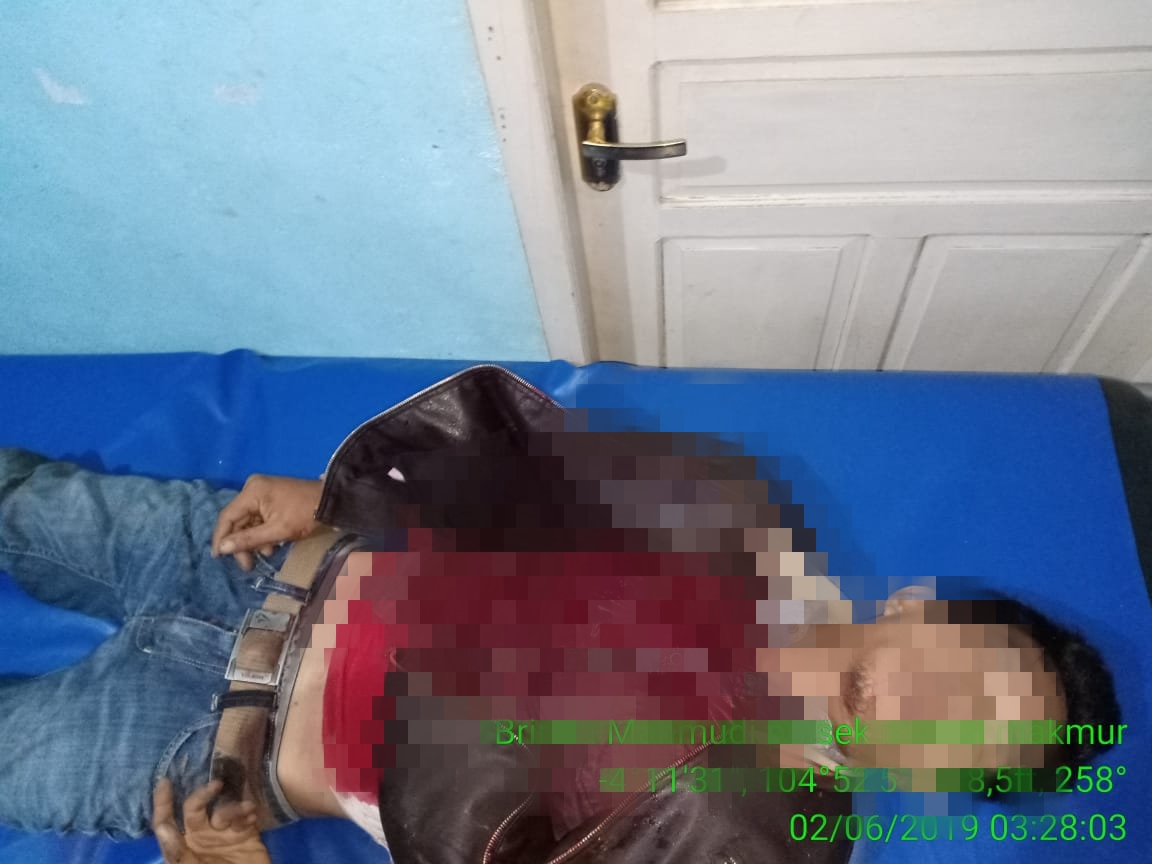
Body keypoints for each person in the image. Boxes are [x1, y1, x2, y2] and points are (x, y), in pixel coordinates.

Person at [0, 426, 1123, 864]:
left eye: (965, 740)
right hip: (257, 559)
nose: (935, 709)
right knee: (19, 502)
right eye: (972, 676)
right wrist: (341, 498)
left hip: (204, 753)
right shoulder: (740, 524)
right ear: (921, 606)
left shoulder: (764, 848)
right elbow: (505, 489)